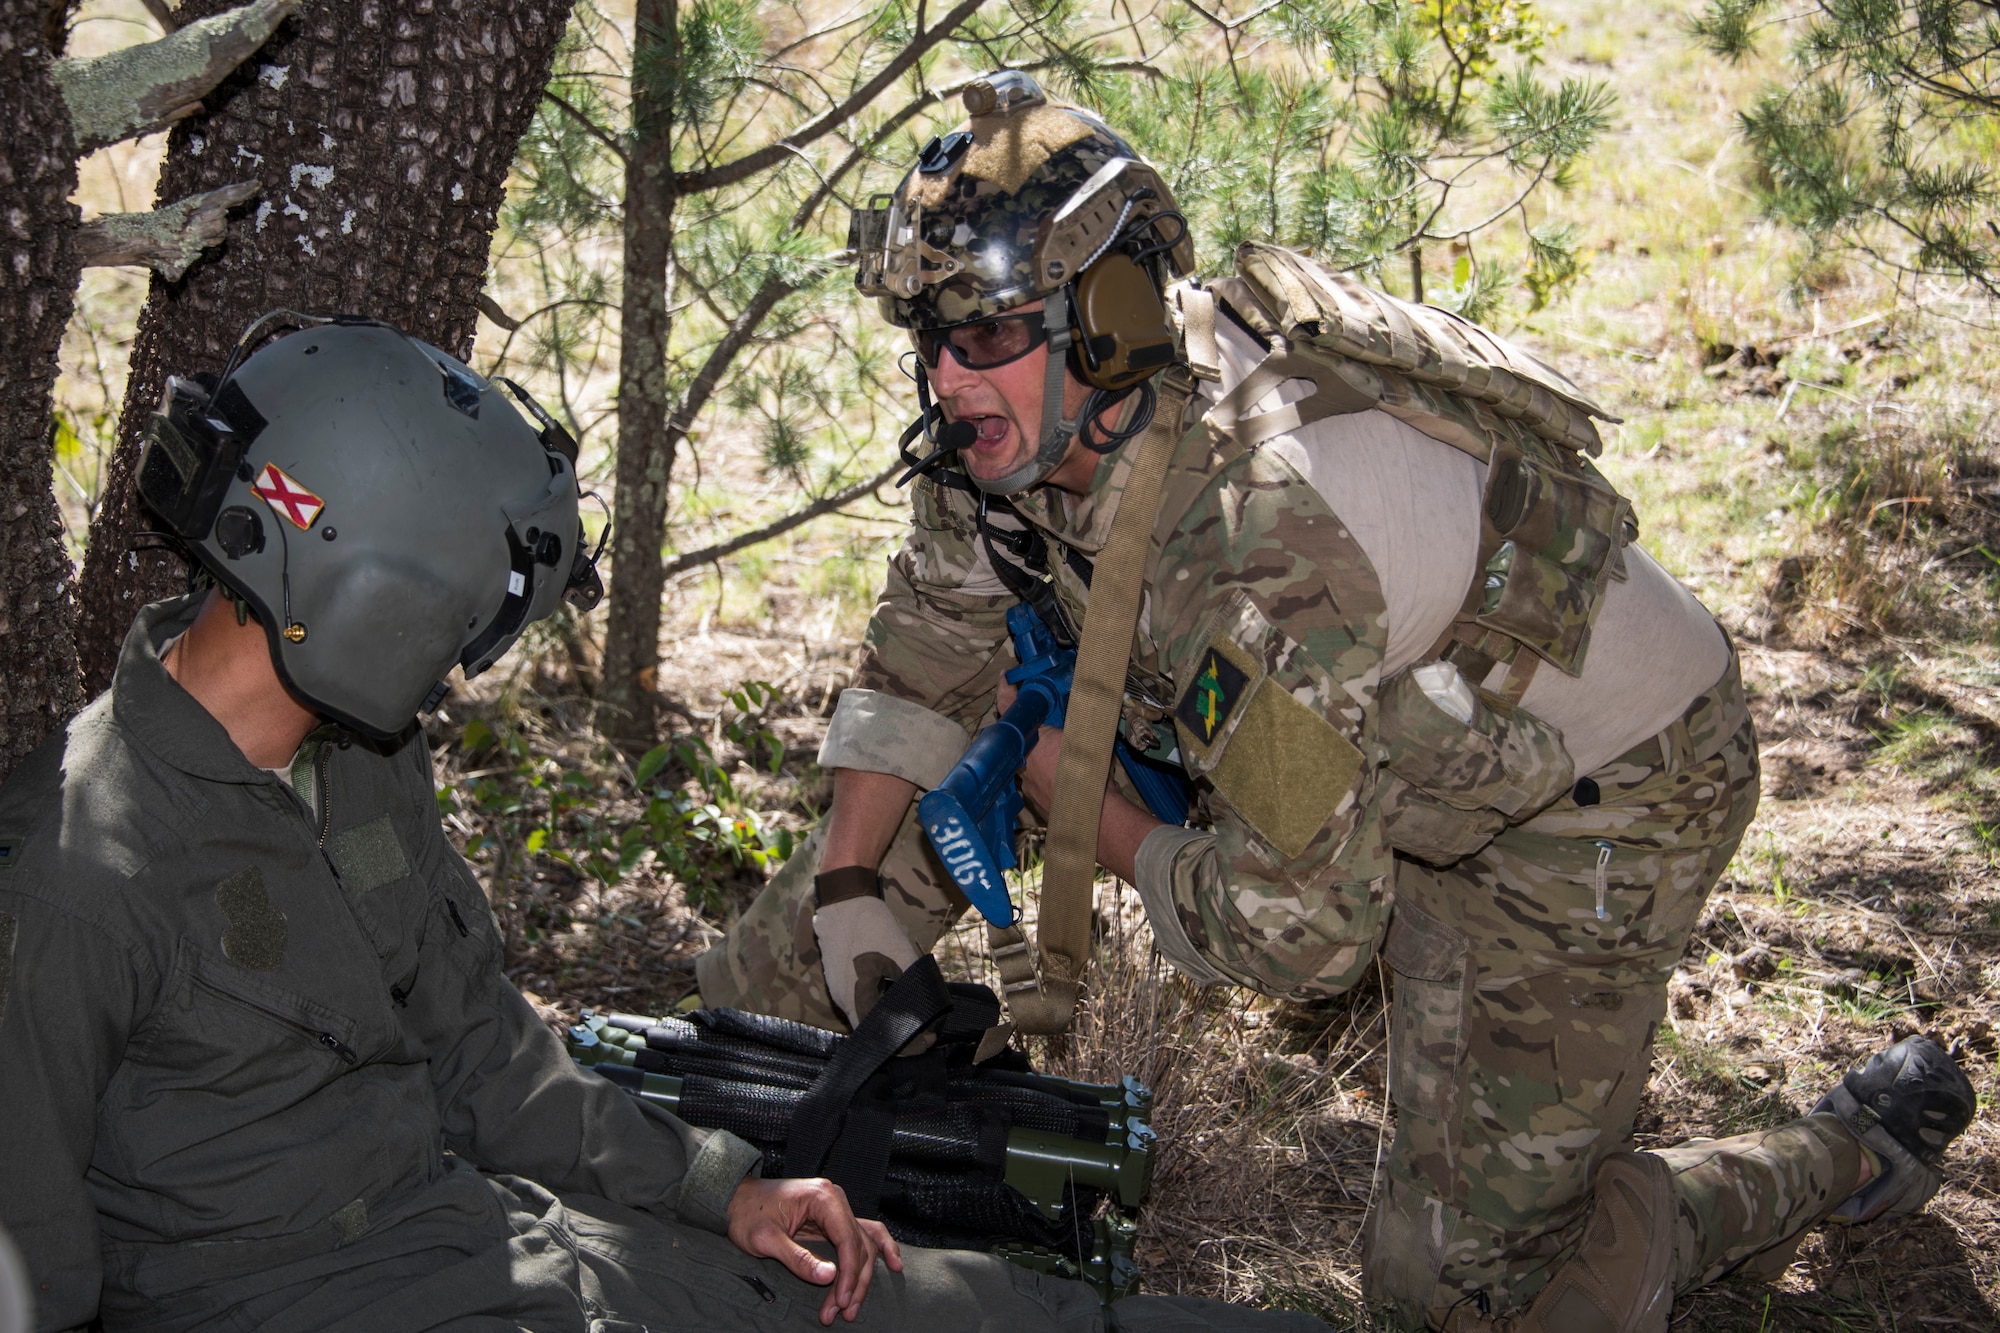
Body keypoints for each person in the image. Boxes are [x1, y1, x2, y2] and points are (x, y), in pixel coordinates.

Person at [693, 71, 1979, 1331]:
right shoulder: (1025, 428)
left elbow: (1298, 934)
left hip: (1594, 799)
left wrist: (1082, 809)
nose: (943, 379)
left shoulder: (1260, 545)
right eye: (925, 341)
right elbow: (929, 643)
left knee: (1462, 1305)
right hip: (1372, 735)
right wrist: (852, 888)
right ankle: (709, 1132)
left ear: (1107, 320)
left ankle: (1841, 1149)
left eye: (979, 338)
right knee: (788, 955)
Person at [0, 316, 1324, 1333]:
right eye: (460, 627)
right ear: (368, 603)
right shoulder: (70, 880)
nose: (463, 662)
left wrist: (721, 1188)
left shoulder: (355, 762)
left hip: (494, 1248)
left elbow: (485, 1057)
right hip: (321, 1296)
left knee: (980, 1309)